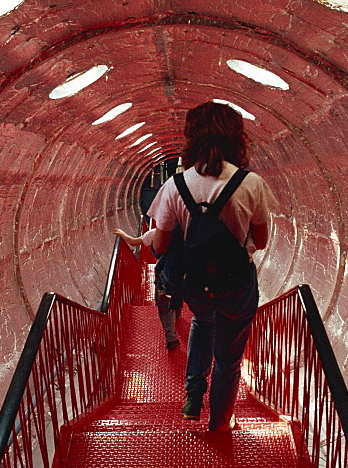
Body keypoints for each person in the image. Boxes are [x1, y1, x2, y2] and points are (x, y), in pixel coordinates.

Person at [117, 101, 277, 431]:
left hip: (195, 283)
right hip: (237, 284)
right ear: (237, 139)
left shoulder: (174, 187)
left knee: (204, 321)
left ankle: (193, 391)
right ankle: (219, 421)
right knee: (230, 359)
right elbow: (259, 241)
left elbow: (160, 246)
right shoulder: (252, 183)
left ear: (191, 139)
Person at [114, 226, 182, 350]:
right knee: (178, 294)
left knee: (164, 306)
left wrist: (122, 233)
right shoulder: (187, 233)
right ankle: (177, 311)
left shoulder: (156, 233)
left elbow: (133, 242)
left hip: (163, 276)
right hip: (181, 275)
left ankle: (171, 337)